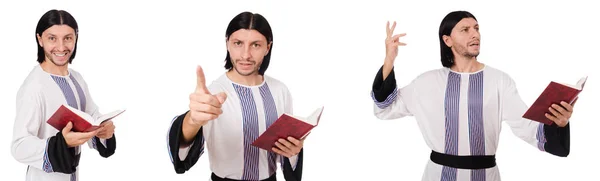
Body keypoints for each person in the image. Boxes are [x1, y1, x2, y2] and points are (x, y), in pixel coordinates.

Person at [371, 10, 573, 181]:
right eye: (465, 30)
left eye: (476, 28)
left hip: (486, 174)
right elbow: (386, 108)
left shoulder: (499, 81)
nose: (474, 34)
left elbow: (527, 126)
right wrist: (389, 60)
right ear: (447, 40)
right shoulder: (426, 82)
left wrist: (559, 123)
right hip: (438, 174)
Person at [167, 11, 304, 181]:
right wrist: (192, 120)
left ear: (267, 47)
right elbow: (183, 150)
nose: (245, 55)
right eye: (238, 43)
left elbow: (287, 153)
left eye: (255, 45)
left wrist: (293, 152)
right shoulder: (214, 93)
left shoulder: (280, 91)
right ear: (227, 44)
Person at [11, 9, 117, 181]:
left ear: (75, 38)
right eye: (52, 38)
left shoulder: (77, 78)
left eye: (67, 38)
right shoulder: (33, 87)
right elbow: (19, 146)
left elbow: (91, 116)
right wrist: (62, 143)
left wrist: (104, 129)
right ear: (40, 39)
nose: (61, 47)